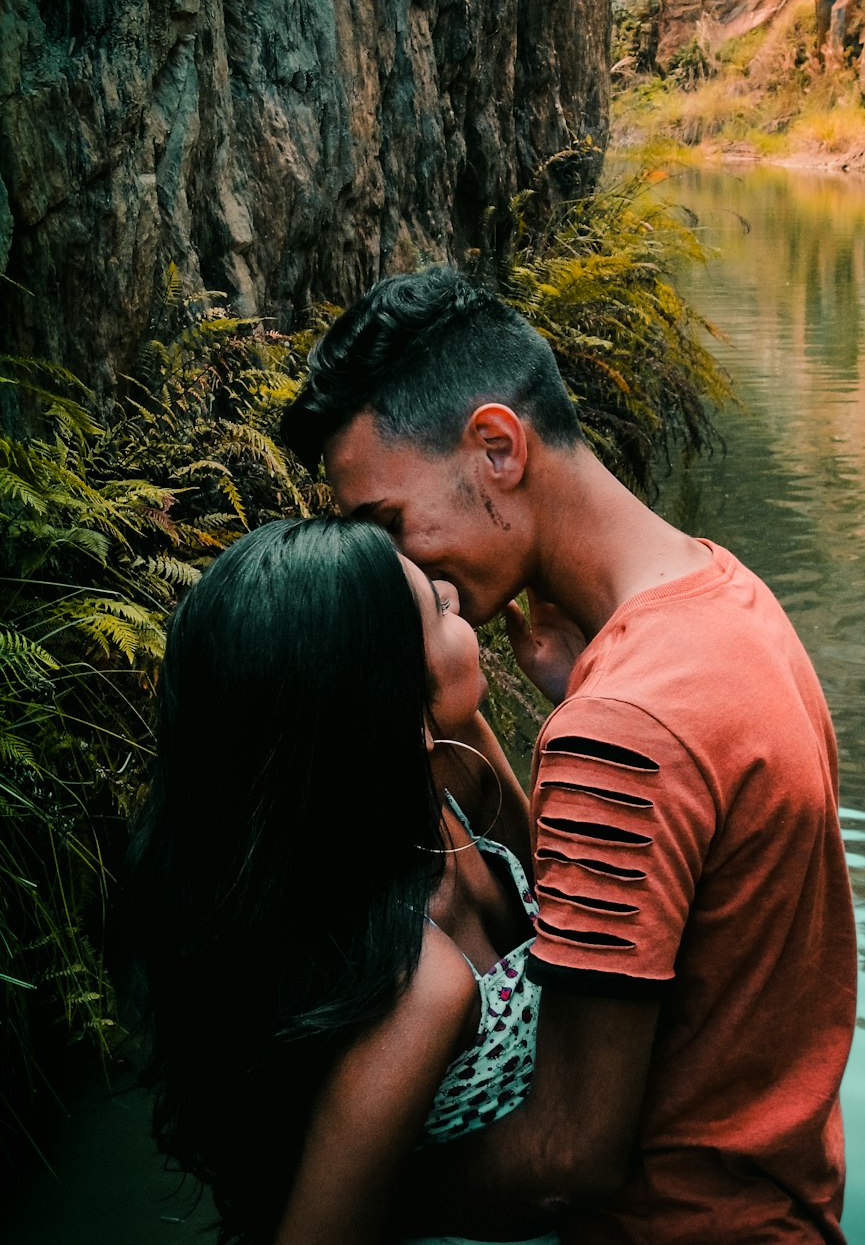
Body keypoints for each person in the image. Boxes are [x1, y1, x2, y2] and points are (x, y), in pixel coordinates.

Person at [280, 266, 858, 1244]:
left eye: (388, 526)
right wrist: (566, 698)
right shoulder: (724, 599)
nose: (393, 576)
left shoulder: (624, 726)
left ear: (497, 447)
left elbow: (567, 1153)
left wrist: (346, 1196)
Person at [125, 515, 562, 1245]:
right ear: (394, 711)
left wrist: (570, 688)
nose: (456, 595)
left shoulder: (438, 769)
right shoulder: (415, 989)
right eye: (439, 609)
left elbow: (547, 893)